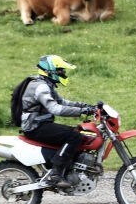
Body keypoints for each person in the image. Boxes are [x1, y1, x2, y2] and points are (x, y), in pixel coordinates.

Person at [19, 54, 95, 189]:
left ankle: (68, 168)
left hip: (40, 125)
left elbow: (62, 102)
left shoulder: (45, 84)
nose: (63, 73)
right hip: (35, 127)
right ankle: (55, 175)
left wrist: (87, 107)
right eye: (61, 71)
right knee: (74, 136)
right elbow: (55, 108)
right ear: (51, 70)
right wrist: (81, 111)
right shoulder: (41, 86)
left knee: (77, 133)